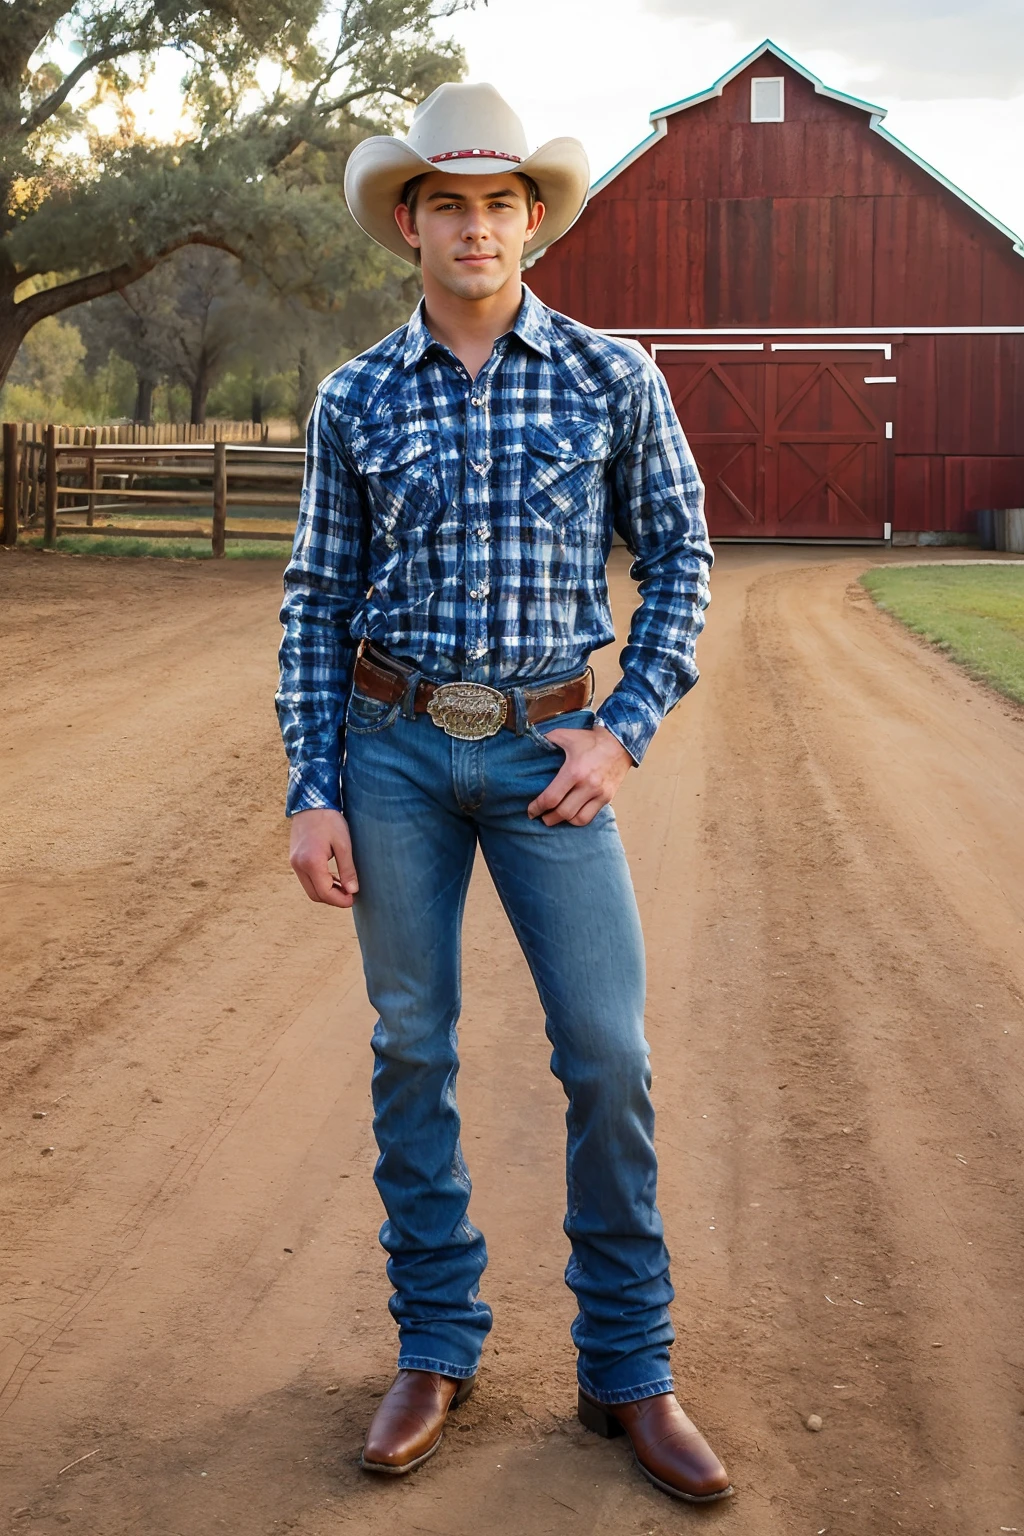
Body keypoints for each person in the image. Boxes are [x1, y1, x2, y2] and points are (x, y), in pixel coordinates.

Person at [275, 81, 730, 1504]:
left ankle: (630, 1370)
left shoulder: (613, 377)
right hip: (393, 746)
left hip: (548, 755)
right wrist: (313, 785)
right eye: (449, 204)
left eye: (500, 202)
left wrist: (623, 733)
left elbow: (683, 561)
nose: (476, 227)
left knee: (606, 1051)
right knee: (413, 1047)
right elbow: (315, 598)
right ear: (408, 223)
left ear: (534, 218)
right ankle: (436, 1346)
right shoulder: (354, 394)